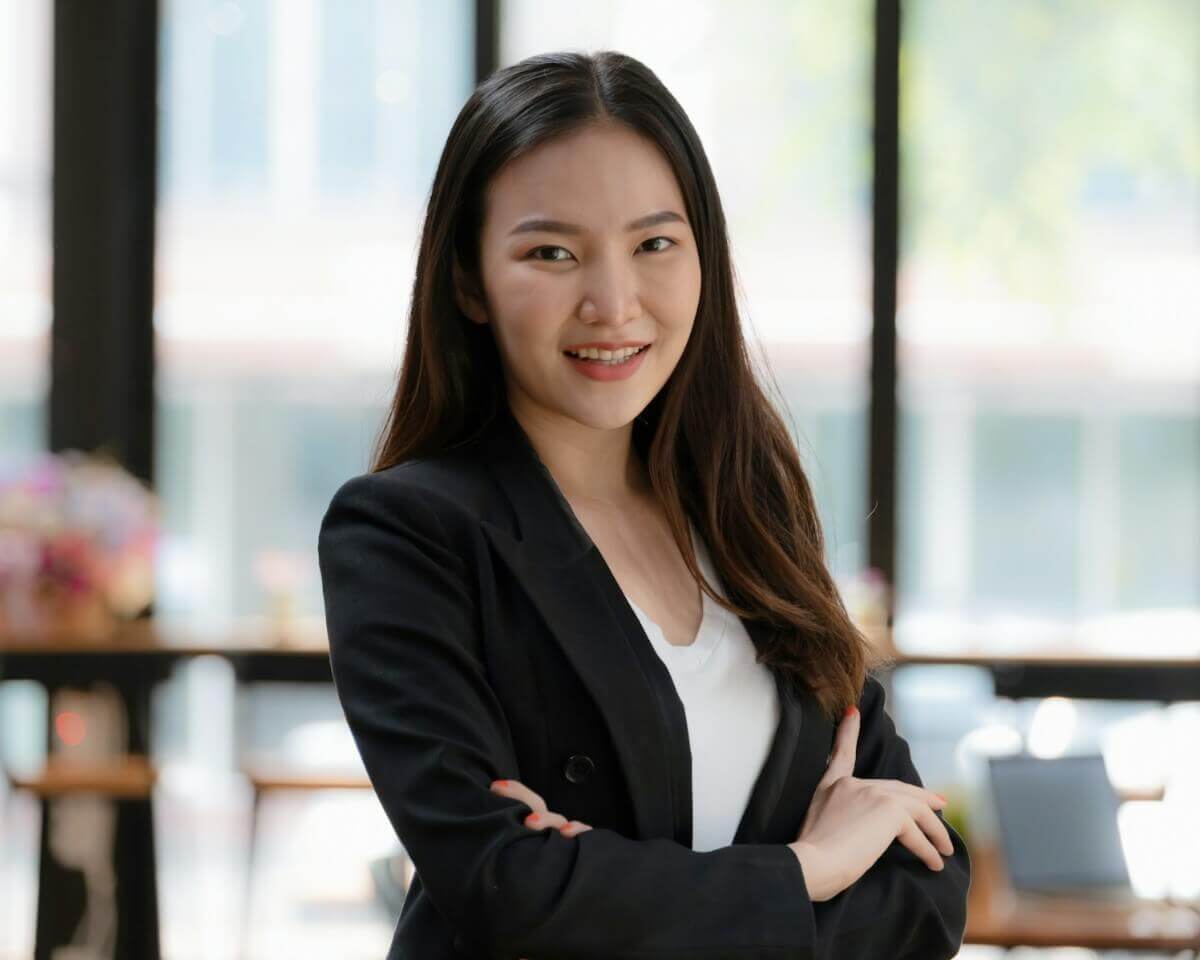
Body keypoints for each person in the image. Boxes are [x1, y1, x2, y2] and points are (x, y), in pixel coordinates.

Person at [318, 49, 971, 959]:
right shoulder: (405, 533)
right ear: (467, 280)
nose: (613, 302)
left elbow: (925, 884)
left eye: (654, 244)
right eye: (552, 252)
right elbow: (508, 889)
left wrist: (617, 892)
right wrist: (806, 871)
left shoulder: (746, 507)